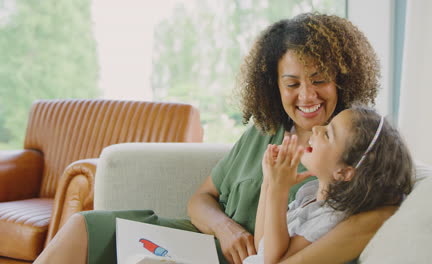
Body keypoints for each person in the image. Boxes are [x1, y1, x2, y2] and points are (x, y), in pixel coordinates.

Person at [34, 13, 385, 264]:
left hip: (248, 259)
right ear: (274, 87)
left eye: (320, 79)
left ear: (342, 78)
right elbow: (201, 198)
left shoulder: (351, 145)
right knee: (87, 225)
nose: (307, 96)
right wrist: (225, 228)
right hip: (199, 240)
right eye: (292, 84)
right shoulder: (265, 130)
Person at [243, 106, 413, 264]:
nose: (316, 128)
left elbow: (270, 260)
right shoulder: (310, 193)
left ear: (344, 172)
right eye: (327, 125)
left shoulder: (330, 220)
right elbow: (262, 246)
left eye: (327, 134)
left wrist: (278, 190)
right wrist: (269, 181)